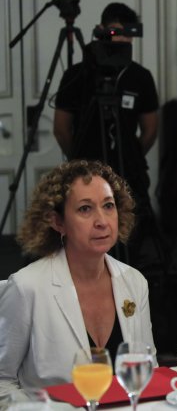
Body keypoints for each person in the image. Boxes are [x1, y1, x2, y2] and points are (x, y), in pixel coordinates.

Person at [0, 160, 155, 393]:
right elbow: (2, 380)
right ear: (58, 221)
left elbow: (147, 369)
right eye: (85, 208)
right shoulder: (26, 287)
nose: (102, 221)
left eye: (108, 206)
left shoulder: (135, 282)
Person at [53, 2, 160, 268]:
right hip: (84, 169)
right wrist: (78, 160)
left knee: (130, 237)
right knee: (86, 237)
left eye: (127, 34)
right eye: (114, 32)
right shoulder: (78, 74)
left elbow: (150, 129)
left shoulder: (140, 77)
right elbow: (61, 127)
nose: (121, 39)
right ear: (100, 31)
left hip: (129, 172)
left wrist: (131, 156)